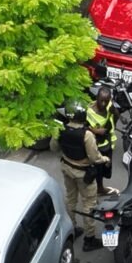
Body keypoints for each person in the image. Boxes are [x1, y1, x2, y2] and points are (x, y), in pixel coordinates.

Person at [50, 100, 112, 251]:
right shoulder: (87, 135)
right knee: (89, 204)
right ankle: (89, 239)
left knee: (71, 199)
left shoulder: (60, 129)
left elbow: (53, 148)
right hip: (83, 174)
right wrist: (105, 159)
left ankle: (72, 228)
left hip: (67, 168)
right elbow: (94, 158)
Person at [87, 86, 120, 196]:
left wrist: (115, 113)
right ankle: (92, 193)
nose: (104, 104)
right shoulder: (90, 112)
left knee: (105, 168)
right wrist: (96, 131)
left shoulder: (110, 106)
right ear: (97, 98)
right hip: (95, 145)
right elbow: (83, 127)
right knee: (95, 169)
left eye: (106, 101)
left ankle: (100, 188)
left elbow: (115, 117)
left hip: (107, 143)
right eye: (101, 100)